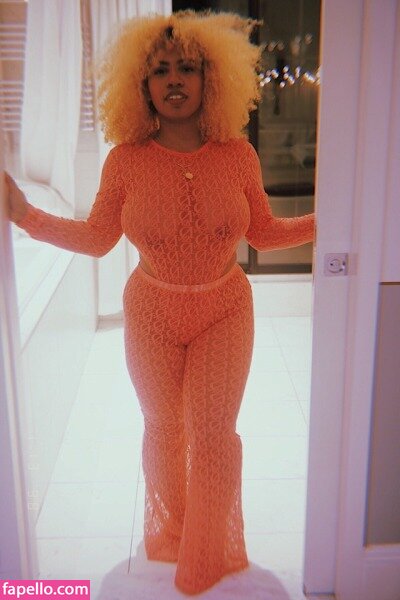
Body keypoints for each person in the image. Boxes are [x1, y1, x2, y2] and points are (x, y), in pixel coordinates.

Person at [6, 10, 315, 596]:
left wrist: (333, 222)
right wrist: (26, 216)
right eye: (160, 70)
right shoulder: (125, 160)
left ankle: (205, 557)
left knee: (215, 435)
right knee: (164, 429)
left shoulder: (238, 155)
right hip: (151, 313)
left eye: (187, 68)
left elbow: (265, 233)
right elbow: (98, 238)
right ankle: (172, 535)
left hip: (225, 309)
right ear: (141, 85)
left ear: (211, 79)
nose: (174, 80)